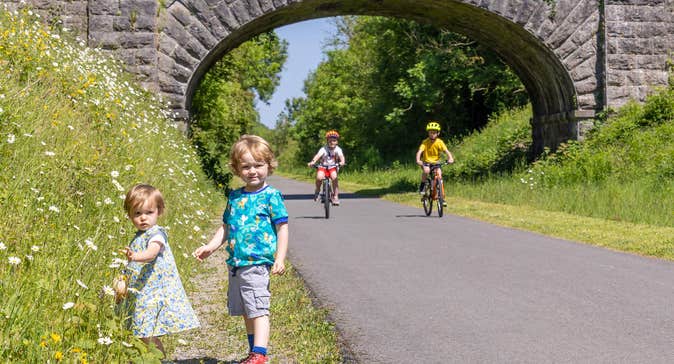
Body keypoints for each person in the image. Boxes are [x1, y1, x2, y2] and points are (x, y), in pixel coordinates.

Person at [193, 135, 289, 364]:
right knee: (247, 309)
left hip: (257, 263)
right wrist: (211, 246)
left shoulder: (271, 196)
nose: (252, 171)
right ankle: (253, 351)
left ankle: (260, 354)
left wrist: (280, 258)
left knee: (258, 308)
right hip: (236, 264)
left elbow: (282, 228)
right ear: (237, 169)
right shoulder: (235, 197)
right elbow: (226, 228)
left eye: (258, 165)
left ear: (269, 165)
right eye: (246, 167)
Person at [121, 184, 200, 357]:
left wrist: (135, 257)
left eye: (149, 213)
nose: (143, 218)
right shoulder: (138, 237)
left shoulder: (157, 234)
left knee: (147, 333)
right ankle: (143, 359)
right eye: (137, 213)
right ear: (129, 215)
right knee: (138, 332)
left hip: (154, 293)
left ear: (159, 211)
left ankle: (159, 360)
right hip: (141, 293)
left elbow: (151, 253)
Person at [415, 121, 454, 205]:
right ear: (428, 133)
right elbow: (419, 152)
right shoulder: (425, 142)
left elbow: (446, 151)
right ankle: (422, 186)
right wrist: (418, 160)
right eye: (430, 132)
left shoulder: (440, 142)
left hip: (436, 163)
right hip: (426, 162)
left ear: (438, 133)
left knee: (439, 175)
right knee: (426, 171)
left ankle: (442, 198)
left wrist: (450, 158)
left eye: (434, 133)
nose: (432, 134)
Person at [307, 130, 346, 205]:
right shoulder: (323, 149)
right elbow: (317, 156)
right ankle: (317, 191)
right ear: (327, 141)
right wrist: (312, 162)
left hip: (333, 167)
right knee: (319, 177)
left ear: (337, 142)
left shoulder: (338, 149)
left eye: (334, 141)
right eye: (330, 140)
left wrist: (342, 162)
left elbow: (342, 157)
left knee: (334, 177)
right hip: (323, 167)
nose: (332, 142)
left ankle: (335, 196)